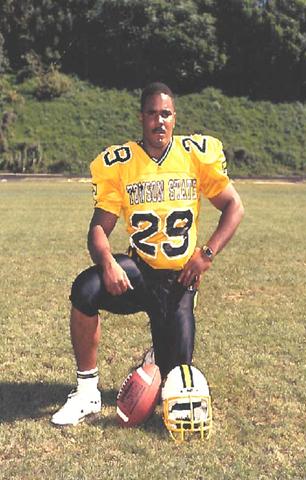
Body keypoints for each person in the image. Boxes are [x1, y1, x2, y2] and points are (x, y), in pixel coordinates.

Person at [51, 82, 244, 426]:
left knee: (175, 382)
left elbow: (234, 207)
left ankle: (158, 358)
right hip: (138, 272)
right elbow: (98, 229)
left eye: (165, 114)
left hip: (180, 280)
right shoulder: (121, 162)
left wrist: (207, 254)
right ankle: (86, 392)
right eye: (152, 113)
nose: (159, 121)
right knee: (85, 289)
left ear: (175, 118)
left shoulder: (194, 155)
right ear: (141, 118)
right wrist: (108, 262)